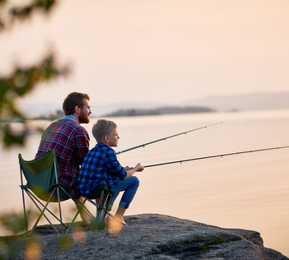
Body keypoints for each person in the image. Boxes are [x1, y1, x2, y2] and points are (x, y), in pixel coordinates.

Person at [35, 92, 92, 225]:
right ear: (77, 109)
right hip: (58, 187)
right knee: (91, 174)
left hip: (39, 184)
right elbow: (86, 164)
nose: (90, 111)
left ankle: (86, 218)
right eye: (88, 108)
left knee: (73, 172)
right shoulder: (78, 130)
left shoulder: (51, 126)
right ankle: (96, 219)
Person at [77, 119, 144, 225]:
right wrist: (136, 168)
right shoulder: (109, 152)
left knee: (114, 180)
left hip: (84, 190)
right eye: (116, 135)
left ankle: (104, 215)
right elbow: (123, 175)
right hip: (98, 189)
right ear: (107, 138)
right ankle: (119, 216)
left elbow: (107, 169)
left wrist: (123, 168)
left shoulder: (92, 151)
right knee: (134, 181)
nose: (118, 137)